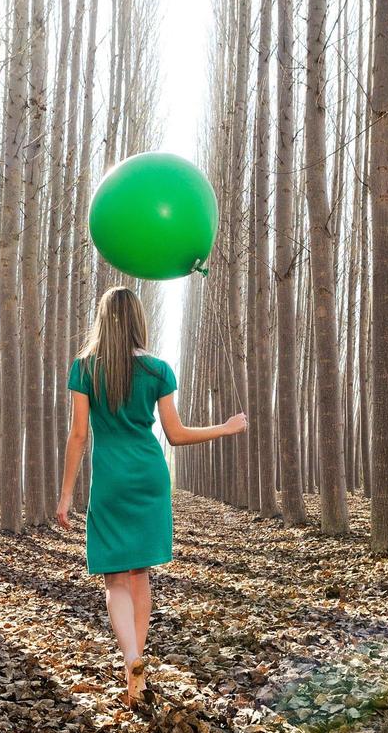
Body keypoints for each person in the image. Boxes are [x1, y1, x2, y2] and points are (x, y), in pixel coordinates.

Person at [55, 286, 247, 707]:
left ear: (102, 320)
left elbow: (78, 434)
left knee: (115, 577)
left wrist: (66, 495)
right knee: (141, 575)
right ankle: (137, 669)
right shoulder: (158, 369)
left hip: (110, 480)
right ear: (140, 320)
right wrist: (225, 428)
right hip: (149, 475)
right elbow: (176, 435)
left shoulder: (85, 368)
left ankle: (132, 656)